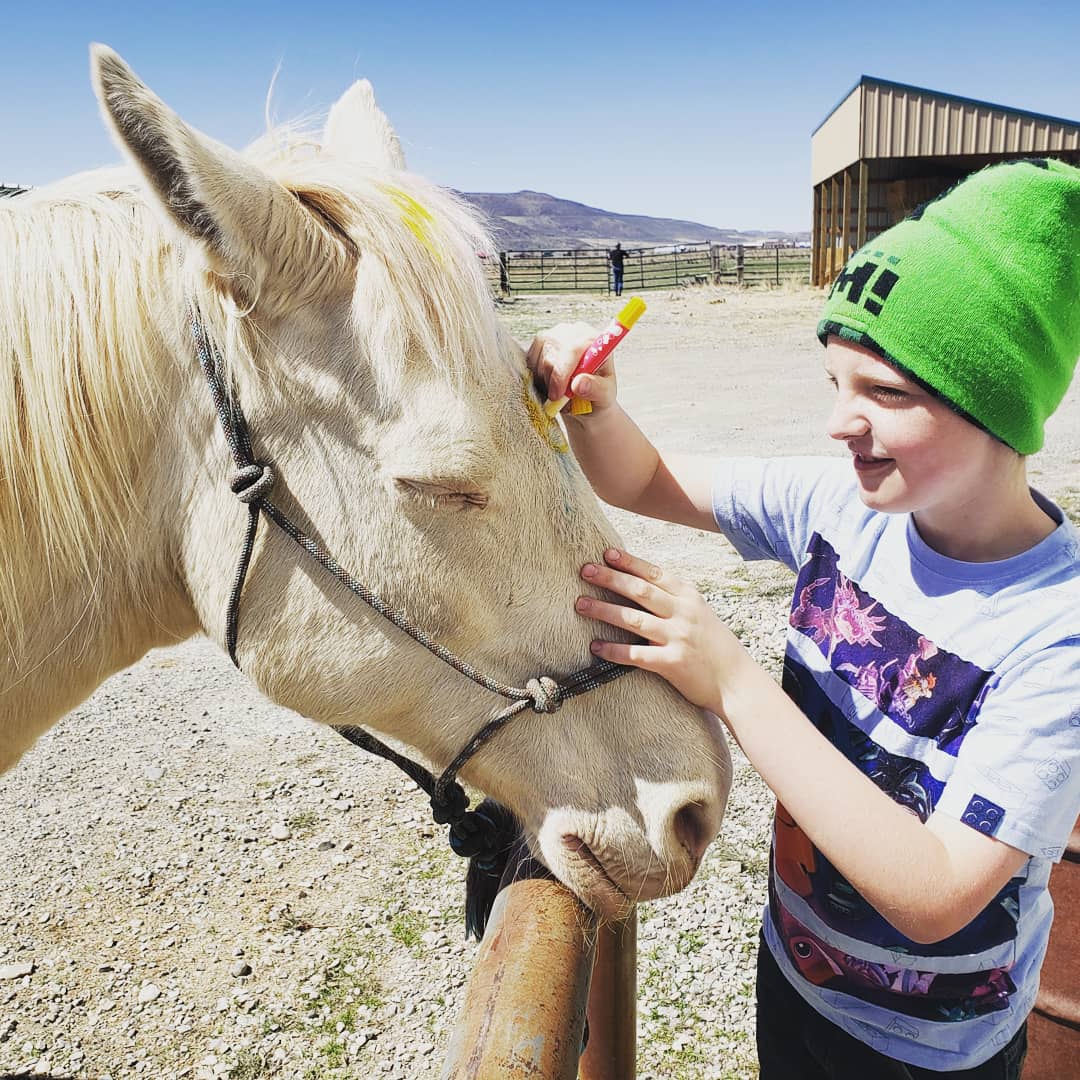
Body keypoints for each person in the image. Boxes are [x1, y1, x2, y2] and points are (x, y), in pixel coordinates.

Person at [527, 158, 1080, 1078]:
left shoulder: (1055, 631)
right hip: (798, 969)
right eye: (835, 383)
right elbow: (642, 480)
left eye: (886, 395)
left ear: (999, 403)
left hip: (933, 1047)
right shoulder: (842, 505)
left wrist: (733, 682)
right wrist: (594, 407)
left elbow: (936, 893)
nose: (839, 423)